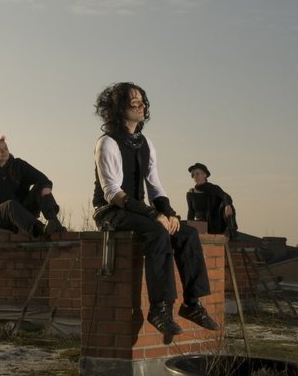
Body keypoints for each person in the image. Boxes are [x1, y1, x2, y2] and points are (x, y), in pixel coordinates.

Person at [92, 82, 219, 336]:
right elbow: (112, 192)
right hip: (110, 211)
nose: (141, 106)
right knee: (157, 231)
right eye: (134, 102)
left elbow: (155, 186)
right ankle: (159, 309)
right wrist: (153, 214)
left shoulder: (146, 144)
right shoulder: (107, 143)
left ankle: (191, 304)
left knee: (187, 233)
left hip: (138, 210)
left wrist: (169, 214)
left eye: (143, 102)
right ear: (119, 108)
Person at [0, 136, 66, 238]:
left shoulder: (19, 165)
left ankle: (55, 224)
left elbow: (43, 179)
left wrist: (46, 187)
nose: (3, 152)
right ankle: (40, 229)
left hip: (23, 212)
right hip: (0, 216)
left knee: (41, 187)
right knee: (10, 204)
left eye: (5, 149)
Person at [186, 162, 238, 236]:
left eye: (197, 174)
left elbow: (226, 196)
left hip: (214, 225)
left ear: (205, 175)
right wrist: (189, 227)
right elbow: (191, 212)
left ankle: (232, 231)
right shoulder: (191, 193)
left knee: (227, 204)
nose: (195, 176)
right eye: (193, 175)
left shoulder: (213, 188)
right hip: (200, 225)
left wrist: (227, 205)